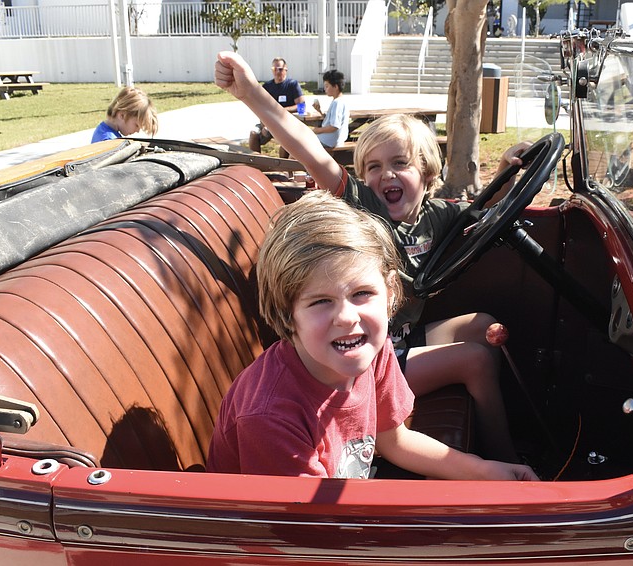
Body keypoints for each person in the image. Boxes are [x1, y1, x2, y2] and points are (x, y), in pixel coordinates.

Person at [215, 51, 530, 464]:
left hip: (401, 336)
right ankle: (507, 454)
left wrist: (508, 168)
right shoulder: (364, 207)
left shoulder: (440, 213)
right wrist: (251, 93)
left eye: (400, 164)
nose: (387, 176)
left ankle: (511, 457)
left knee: (485, 325)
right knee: (477, 359)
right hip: (376, 346)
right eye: (375, 167)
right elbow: (313, 152)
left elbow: (488, 209)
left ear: (427, 174)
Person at [206, 190, 538, 481]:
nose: (348, 318)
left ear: (391, 293)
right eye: (321, 301)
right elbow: (308, 533)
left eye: (362, 293)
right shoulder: (270, 417)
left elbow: (393, 440)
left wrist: (485, 471)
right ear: (286, 314)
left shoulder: (370, 350)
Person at [248, 57, 305, 153]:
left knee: (286, 143)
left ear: (286, 69)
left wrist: (281, 110)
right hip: (269, 122)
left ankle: (284, 166)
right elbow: (260, 108)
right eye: (274, 69)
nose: (277, 72)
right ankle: (257, 163)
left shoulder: (292, 85)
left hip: (286, 123)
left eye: (280, 69)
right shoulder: (267, 86)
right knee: (253, 134)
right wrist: (264, 125)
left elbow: (301, 108)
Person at [91, 86, 158, 143]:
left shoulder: (104, 131)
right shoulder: (109, 141)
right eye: (136, 125)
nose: (137, 131)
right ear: (122, 115)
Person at [311, 69, 349, 149]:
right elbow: (333, 120)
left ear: (335, 86)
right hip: (336, 140)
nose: (325, 89)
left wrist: (318, 130)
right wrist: (320, 111)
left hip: (328, 141)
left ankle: (287, 161)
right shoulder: (341, 100)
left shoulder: (337, 103)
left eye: (327, 86)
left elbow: (334, 126)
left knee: (296, 148)